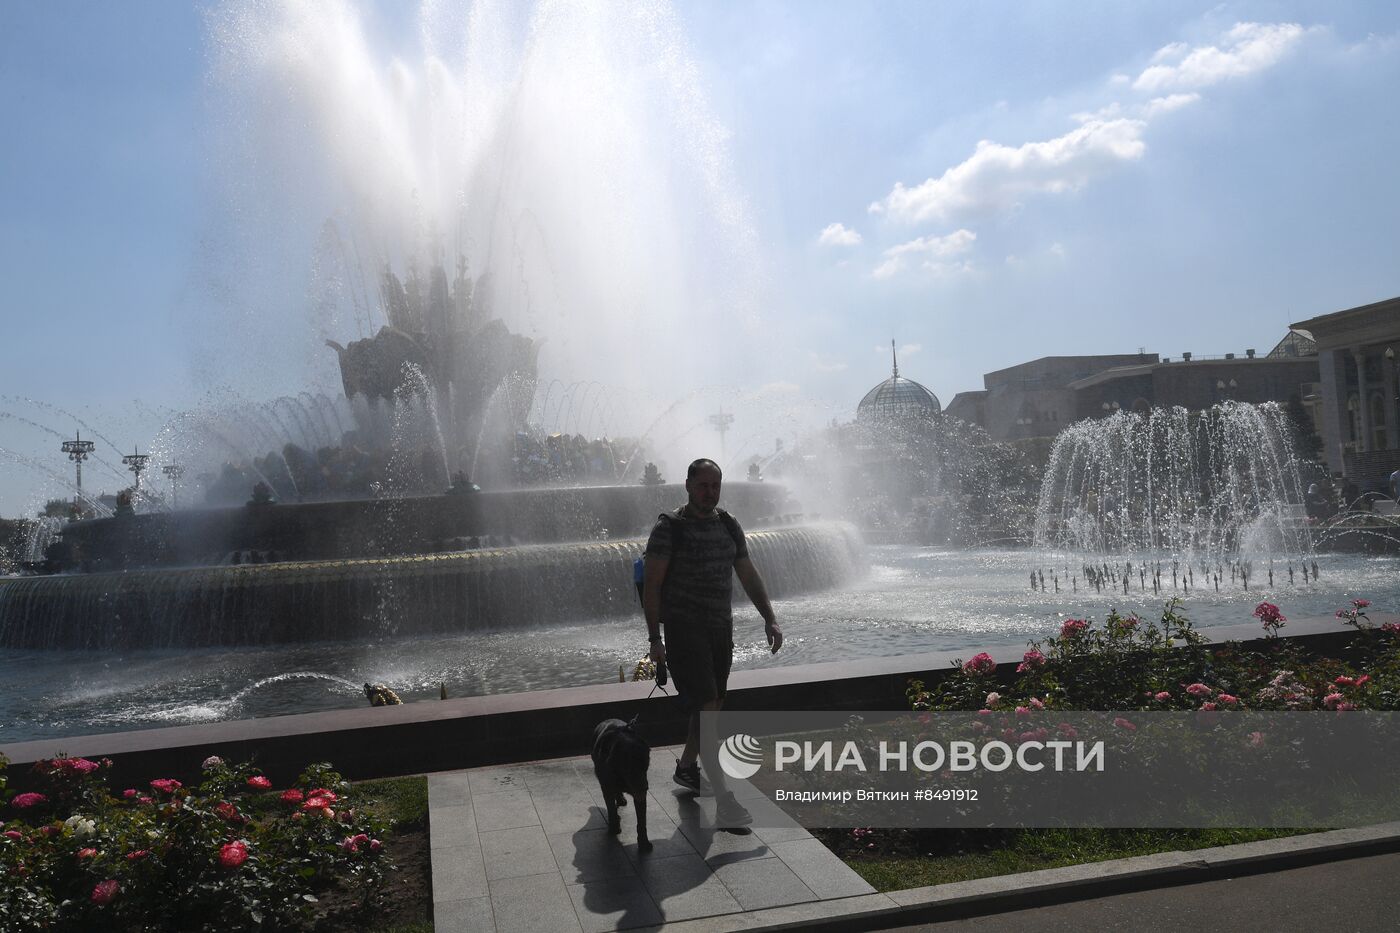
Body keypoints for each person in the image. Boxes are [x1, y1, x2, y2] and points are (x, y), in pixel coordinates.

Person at [643, 458, 781, 830]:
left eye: (715, 486)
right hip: (685, 630)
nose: (709, 492)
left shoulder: (728, 524)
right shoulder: (669, 528)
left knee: (714, 704)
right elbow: (652, 586)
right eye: (702, 485)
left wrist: (769, 616)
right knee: (707, 709)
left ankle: (687, 768)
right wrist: (655, 639)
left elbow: (747, 572)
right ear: (687, 485)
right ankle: (725, 801)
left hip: (720, 627)